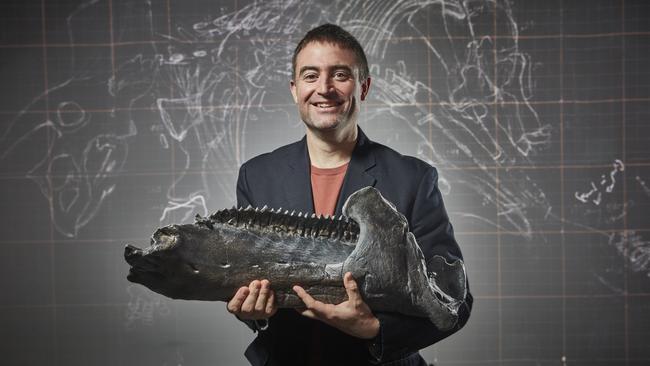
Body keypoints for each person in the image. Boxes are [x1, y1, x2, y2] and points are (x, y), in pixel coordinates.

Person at [226, 23, 472, 366]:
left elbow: (454, 299)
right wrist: (254, 313)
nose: (324, 88)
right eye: (310, 76)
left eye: (340, 75)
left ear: (364, 86)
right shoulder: (257, 176)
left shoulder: (413, 178)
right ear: (295, 90)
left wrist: (374, 328)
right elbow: (248, 282)